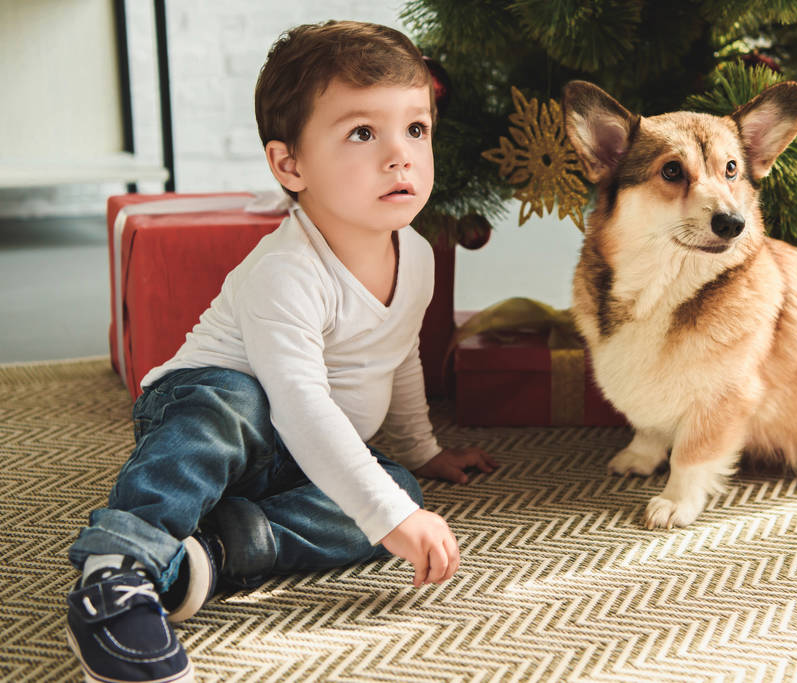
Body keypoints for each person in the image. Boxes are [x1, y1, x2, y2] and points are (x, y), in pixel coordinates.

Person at [65, 20, 497, 683]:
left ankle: (204, 555)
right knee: (232, 404)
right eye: (362, 133)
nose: (399, 155)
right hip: (216, 413)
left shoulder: (414, 255)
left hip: (302, 457)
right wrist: (392, 517)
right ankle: (117, 570)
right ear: (289, 165)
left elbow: (397, 352)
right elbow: (295, 404)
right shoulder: (286, 270)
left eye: (415, 129)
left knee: (391, 492)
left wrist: (418, 451)